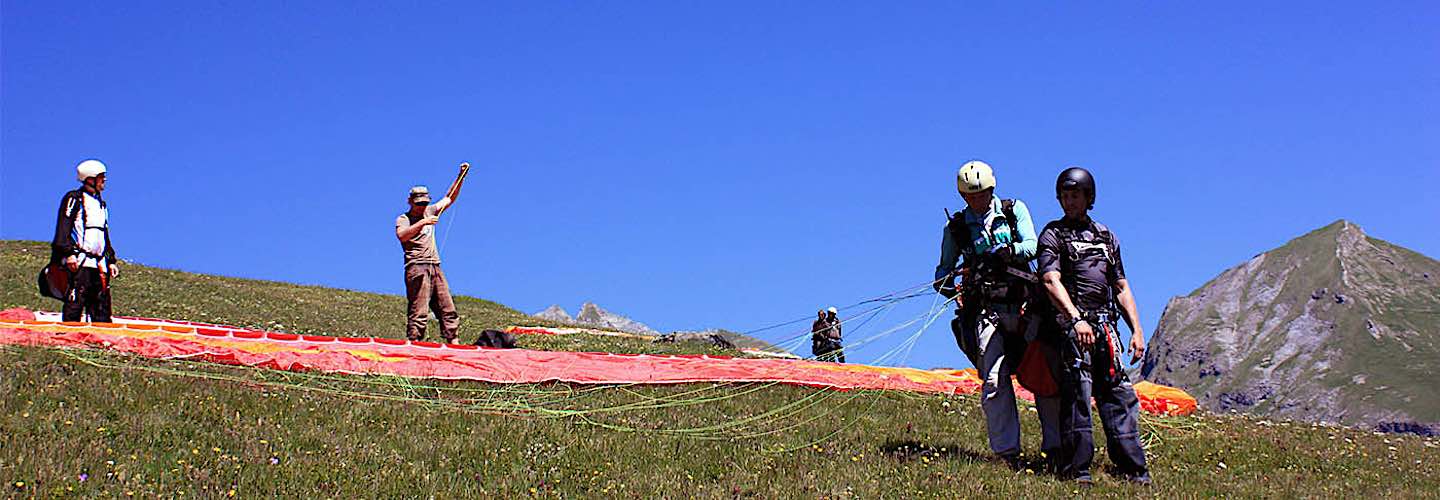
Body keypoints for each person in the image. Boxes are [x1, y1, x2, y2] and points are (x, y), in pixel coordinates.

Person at [933, 160, 1060, 469]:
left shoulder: (1014, 211)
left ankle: (1056, 448)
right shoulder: (957, 228)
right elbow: (943, 269)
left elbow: (1032, 245)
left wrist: (1009, 252)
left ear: (992, 190)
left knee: (1041, 374)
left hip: (1025, 307)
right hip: (985, 312)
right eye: (969, 197)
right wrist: (947, 282)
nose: (976, 201)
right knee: (993, 380)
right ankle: (1007, 454)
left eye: (981, 194)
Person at [1036, 167, 1151, 485]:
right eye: (1064, 196)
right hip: (1074, 330)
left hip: (1107, 329)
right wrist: (1075, 319)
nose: (1069, 202)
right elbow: (1049, 280)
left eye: (1075, 196)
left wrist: (1137, 331)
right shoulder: (1053, 234)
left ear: (1089, 198)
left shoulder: (1105, 236)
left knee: (1119, 396)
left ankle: (1134, 471)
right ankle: (1078, 471)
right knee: (1078, 396)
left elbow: (1122, 287)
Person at [396, 162, 471, 343]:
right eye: (418, 203)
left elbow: (448, 198)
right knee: (419, 310)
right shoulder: (403, 219)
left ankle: (453, 341)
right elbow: (402, 235)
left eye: (424, 203)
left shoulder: (430, 210)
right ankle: (415, 343)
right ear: (410, 202)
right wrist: (423, 222)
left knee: (447, 307)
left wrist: (461, 176)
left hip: (435, 266)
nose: (422, 207)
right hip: (417, 267)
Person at [51, 159, 119, 323]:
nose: (105, 181)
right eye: (101, 177)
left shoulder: (101, 204)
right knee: (75, 303)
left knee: (101, 307)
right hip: (80, 263)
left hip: (99, 265)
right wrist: (68, 254)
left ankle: (101, 343)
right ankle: (69, 339)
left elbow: (104, 234)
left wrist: (110, 260)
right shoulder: (74, 199)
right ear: (90, 179)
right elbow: (64, 227)